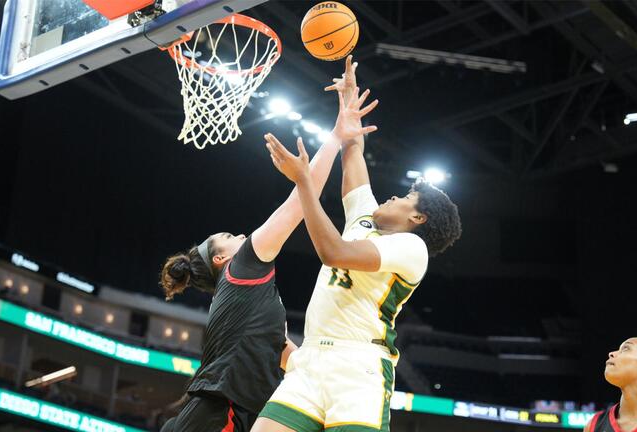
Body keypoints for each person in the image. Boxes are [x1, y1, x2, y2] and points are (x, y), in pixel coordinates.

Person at [254, 56, 462, 432]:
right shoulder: (365, 217)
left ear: (418, 219)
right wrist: (348, 104)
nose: (392, 198)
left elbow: (333, 254)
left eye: (404, 198)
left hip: (359, 367)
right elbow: (354, 154)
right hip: (311, 358)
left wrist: (304, 182)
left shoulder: (412, 251)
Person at [158, 80, 379, 432]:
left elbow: (290, 358)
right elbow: (297, 206)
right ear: (220, 260)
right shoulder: (241, 268)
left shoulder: (250, 303)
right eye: (229, 237)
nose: (242, 235)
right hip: (219, 414)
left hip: (233, 413)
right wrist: (337, 137)